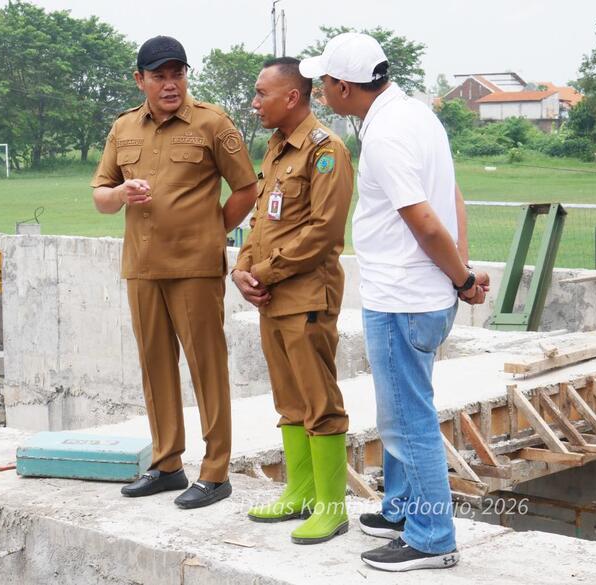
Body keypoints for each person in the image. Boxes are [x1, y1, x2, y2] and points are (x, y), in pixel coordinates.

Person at [300, 33, 490, 571]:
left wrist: (460, 278)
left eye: (324, 82)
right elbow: (452, 197)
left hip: (404, 298)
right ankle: (403, 508)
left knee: (408, 420)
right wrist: (461, 273)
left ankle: (432, 537)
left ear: (344, 86)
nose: (320, 91)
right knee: (404, 410)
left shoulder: (384, 135)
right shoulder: (418, 115)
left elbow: (425, 221)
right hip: (424, 293)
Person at [90, 36, 258, 509]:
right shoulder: (124, 127)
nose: (170, 84)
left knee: (207, 366)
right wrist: (121, 194)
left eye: (177, 74)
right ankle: (167, 464)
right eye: (159, 76)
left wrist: (211, 230)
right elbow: (101, 196)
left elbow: (246, 188)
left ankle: (216, 472)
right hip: (142, 267)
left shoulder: (212, 122)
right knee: (155, 365)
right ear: (139, 79)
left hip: (195, 268)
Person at [231, 57, 353, 545]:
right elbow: (262, 219)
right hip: (272, 299)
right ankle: (300, 493)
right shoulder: (277, 149)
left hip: (306, 297)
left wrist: (262, 272)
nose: (255, 102)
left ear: (292, 97)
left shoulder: (326, 151)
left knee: (320, 403)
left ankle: (331, 508)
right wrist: (241, 268)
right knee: (289, 402)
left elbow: (323, 231)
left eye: (262, 93)